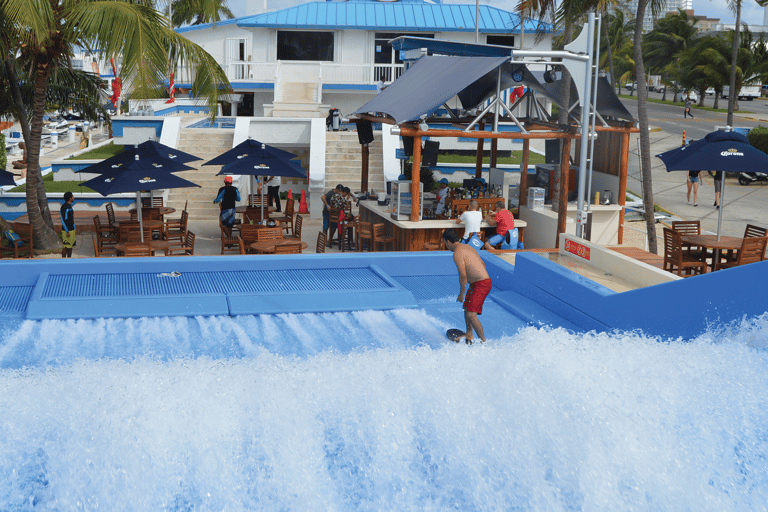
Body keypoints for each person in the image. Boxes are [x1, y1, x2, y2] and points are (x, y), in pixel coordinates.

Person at [443, 229, 491, 344]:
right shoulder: (467, 247)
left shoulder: (457, 253)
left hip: (481, 284)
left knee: (471, 314)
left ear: (448, 242)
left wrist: (462, 294)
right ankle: (469, 333)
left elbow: (463, 276)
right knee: (467, 309)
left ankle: (484, 343)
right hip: (479, 283)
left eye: (445, 242)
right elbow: (482, 263)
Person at [60, 191, 76, 258]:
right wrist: (67, 231)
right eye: (72, 196)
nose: (73, 197)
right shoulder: (64, 207)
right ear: (70, 198)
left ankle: (69, 260)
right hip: (66, 230)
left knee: (70, 246)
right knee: (66, 246)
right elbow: (63, 220)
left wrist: (74, 227)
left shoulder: (70, 206)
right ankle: (63, 260)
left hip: (71, 229)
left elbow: (71, 219)